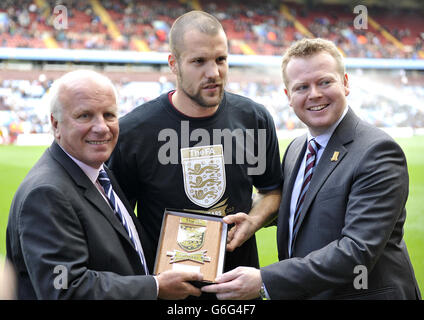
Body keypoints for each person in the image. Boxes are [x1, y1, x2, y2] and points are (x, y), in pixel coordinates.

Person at [202, 38, 421, 300]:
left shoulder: (377, 151)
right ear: (288, 97)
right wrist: (256, 219)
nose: (314, 94)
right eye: (302, 87)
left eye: (325, 82)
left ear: (346, 83)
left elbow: (357, 251)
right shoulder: (297, 149)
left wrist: (264, 281)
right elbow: (305, 208)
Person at [107, 10, 282, 283]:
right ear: (173, 64)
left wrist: (254, 220)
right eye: (198, 61)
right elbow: (117, 222)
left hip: (238, 289)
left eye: (221, 59)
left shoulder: (254, 119)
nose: (213, 72)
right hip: (167, 292)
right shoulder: (133, 132)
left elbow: (272, 190)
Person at [6, 70, 203, 299]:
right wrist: (155, 287)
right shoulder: (46, 194)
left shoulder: (101, 174)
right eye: (84, 116)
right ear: (56, 124)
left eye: (109, 115)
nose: (101, 127)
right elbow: (65, 288)